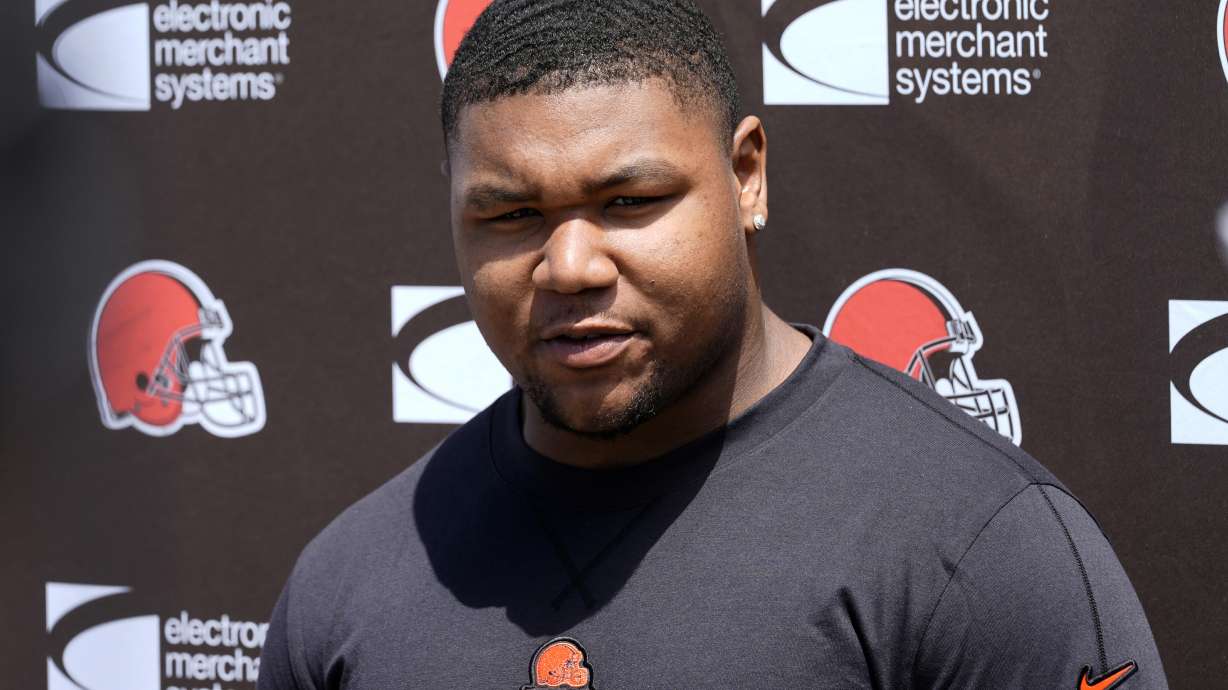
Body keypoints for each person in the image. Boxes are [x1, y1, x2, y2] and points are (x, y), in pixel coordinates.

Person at [257, 1, 1168, 687]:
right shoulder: (350, 584)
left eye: (629, 203)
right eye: (510, 215)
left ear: (747, 178)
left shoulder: (979, 549)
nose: (568, 264)